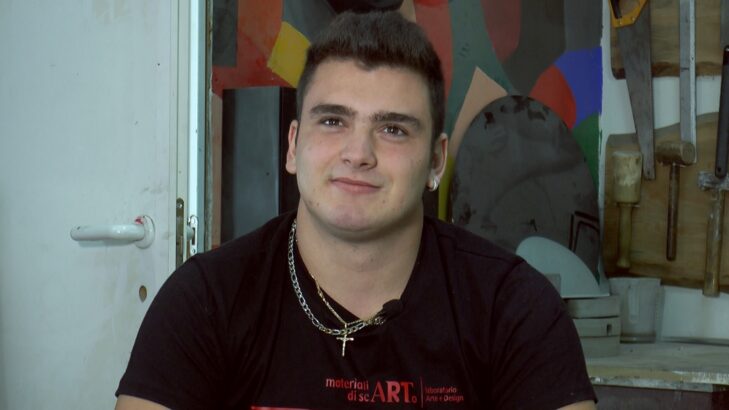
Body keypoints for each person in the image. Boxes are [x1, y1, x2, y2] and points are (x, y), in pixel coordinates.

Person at [115, 10, 597, 410]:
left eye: (393, 129)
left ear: (436, 161)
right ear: (293, 146)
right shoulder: (206, 300)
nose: (358, 153)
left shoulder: (513, 308)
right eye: (332, 121)